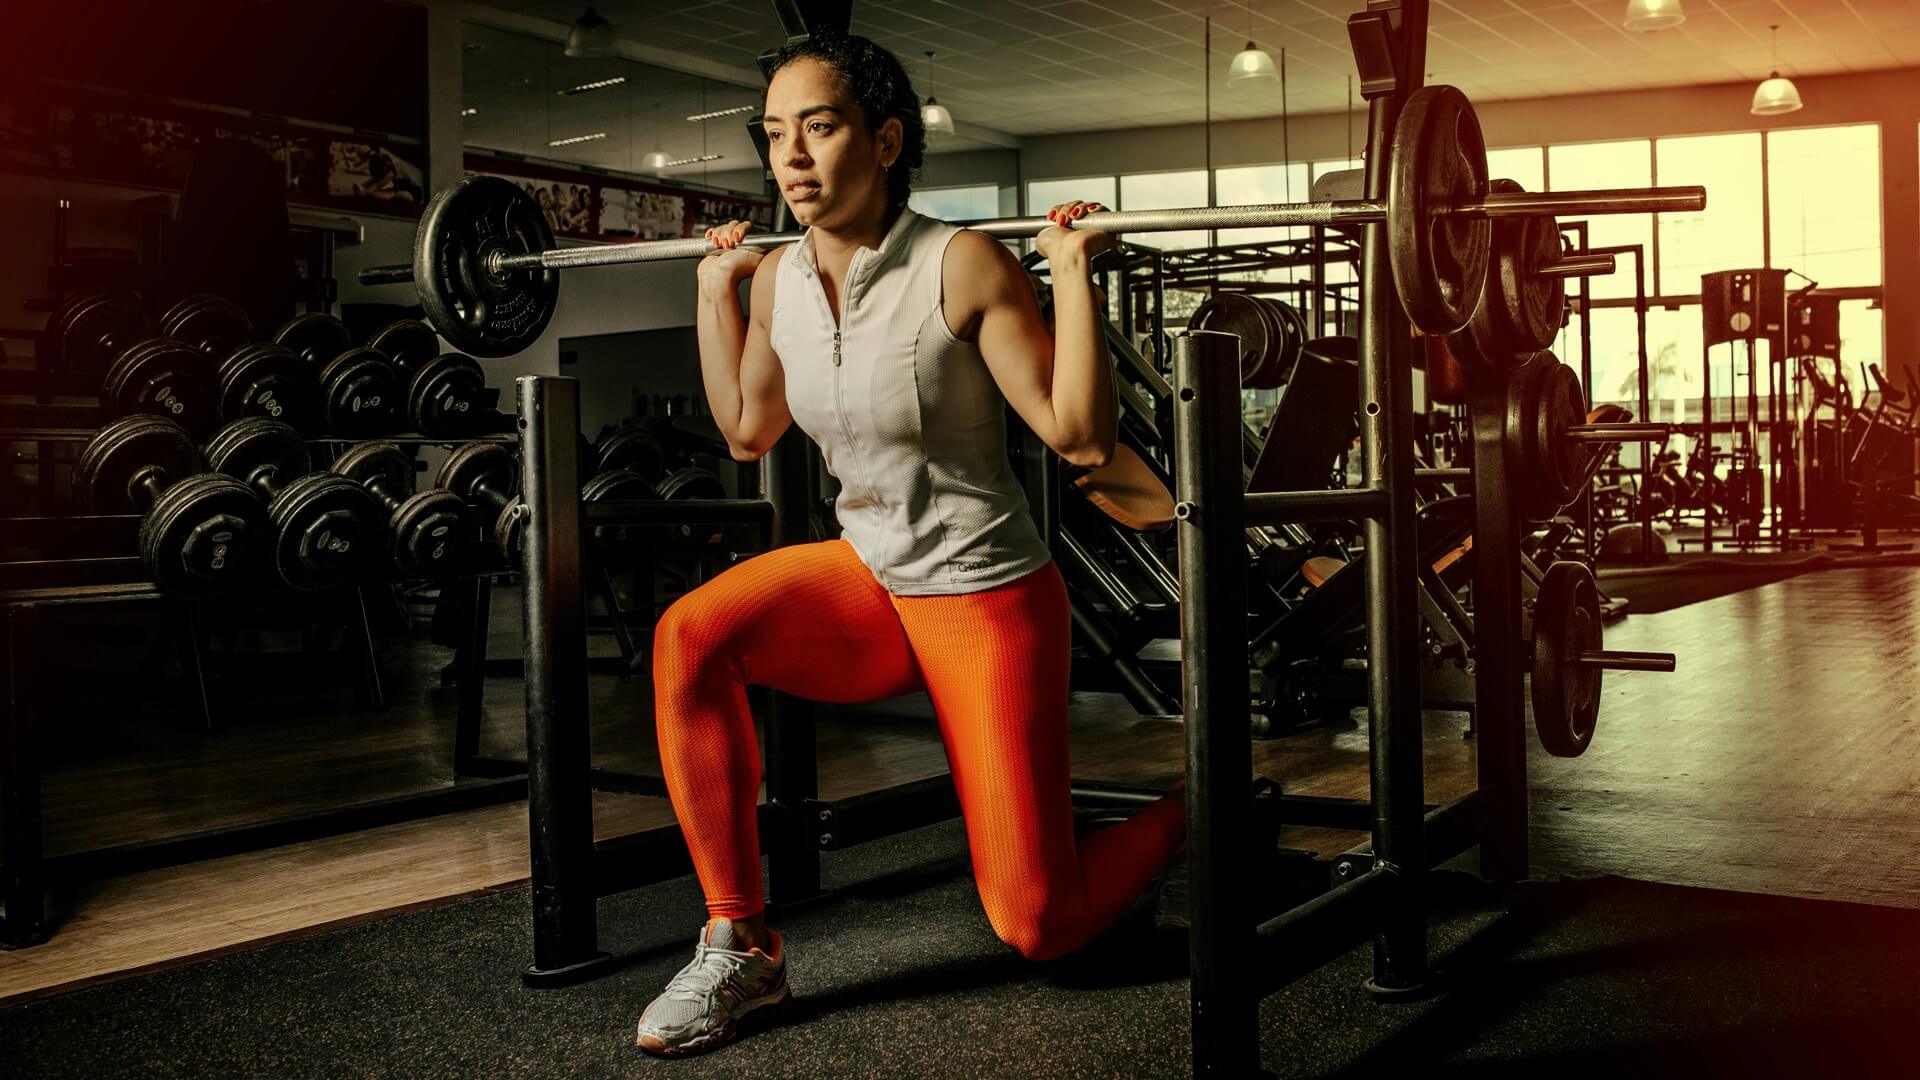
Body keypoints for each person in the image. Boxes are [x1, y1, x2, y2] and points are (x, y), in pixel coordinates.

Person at [634, 30, 1187, 1058]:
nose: (791, 158)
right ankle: (741, 942)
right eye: (774, 135)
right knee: (688, 636)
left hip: (984, 596)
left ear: (886, 141)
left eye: (821, 127)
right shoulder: (781, 283)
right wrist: (716, 299)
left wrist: (1073, 275)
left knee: (1039, 925)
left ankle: (1193, 817)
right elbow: (748, 429)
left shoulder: (960, 262)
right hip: (867, 580)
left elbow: (1077, 436)